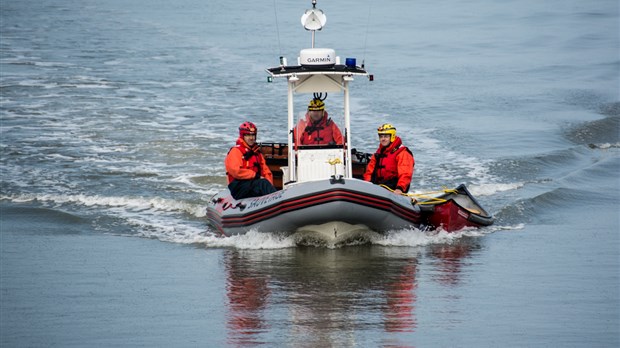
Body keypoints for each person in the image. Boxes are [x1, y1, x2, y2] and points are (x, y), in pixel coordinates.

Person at [225, 121, 277, 200]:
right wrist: (255, 175)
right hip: (239, 186)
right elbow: (236, 171)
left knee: (265, 183)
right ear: (243, 136)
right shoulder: (236, 151)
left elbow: (265, 171)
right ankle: (275, 200)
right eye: (248, 135)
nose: (251, 138)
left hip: (252, 184)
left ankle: (274, 201)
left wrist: (269, 184)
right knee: (262, 183)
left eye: (253, 135)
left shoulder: (257, 153)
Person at [363, 123, 415, 194]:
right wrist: (367, 185)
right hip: (378, 187)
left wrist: (400, 188)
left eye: (386, 136)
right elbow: (369, 172)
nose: (383, 139)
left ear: (392, 136)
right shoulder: (378, 153)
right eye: (381, 136)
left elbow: (405, 174)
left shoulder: (402, 153)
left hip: (394, 189)